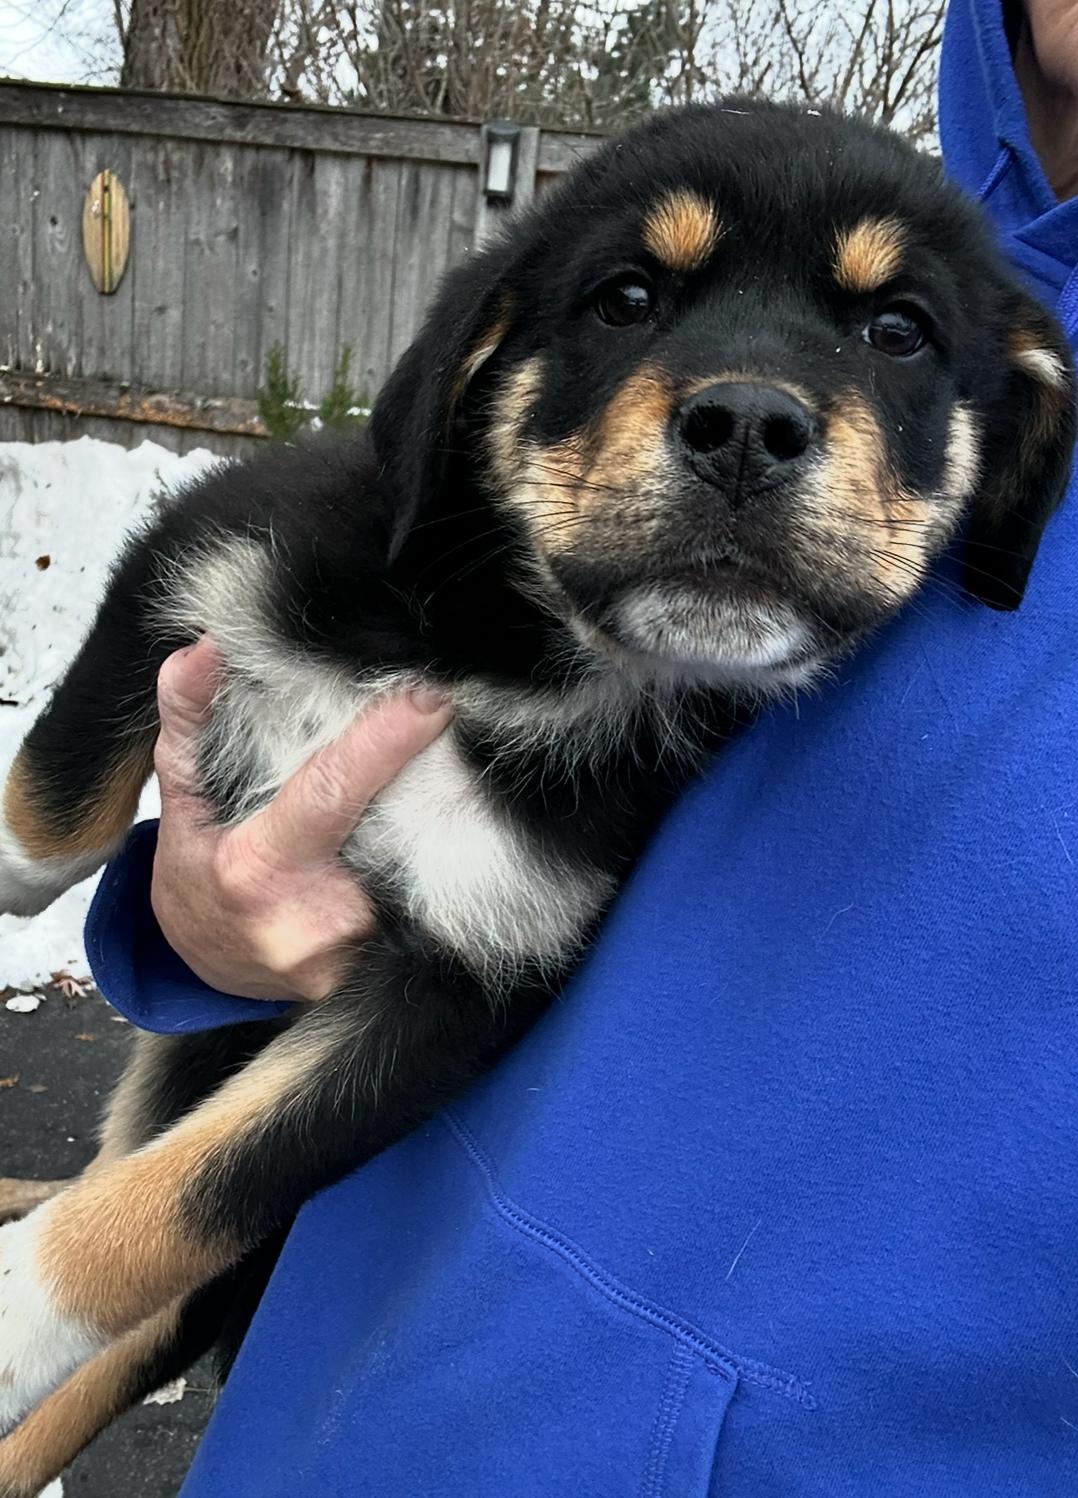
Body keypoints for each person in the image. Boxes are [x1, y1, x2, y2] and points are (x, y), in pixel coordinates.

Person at [85, 0, 1078, 1490]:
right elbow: (349, 733)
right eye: (632, 302)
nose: (753, 409)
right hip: (332, 1416)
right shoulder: (885, 234)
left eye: (890, 335)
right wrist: (201, 915)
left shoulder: (994, 390)